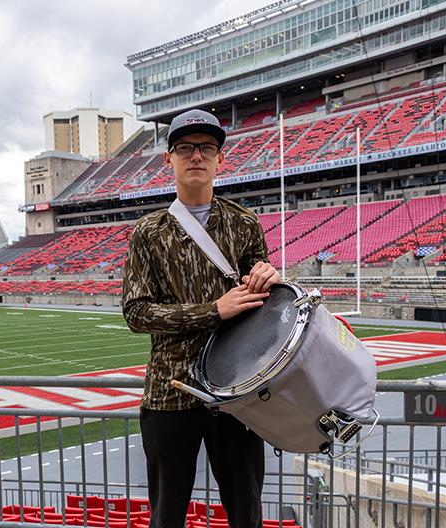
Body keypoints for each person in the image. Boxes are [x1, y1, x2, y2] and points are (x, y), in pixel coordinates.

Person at [122, 108, 280, 528]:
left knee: (246, 511)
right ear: (168, 159)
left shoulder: (244, 223)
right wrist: (212, 311)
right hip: (170, 392)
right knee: (166, 515)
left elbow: (264, 300)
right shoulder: (149, 231)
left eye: (207, 148)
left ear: (219, 159)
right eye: (186, 148)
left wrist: (271, 277)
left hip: (237, 389)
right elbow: (136, 313)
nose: (197, 156)